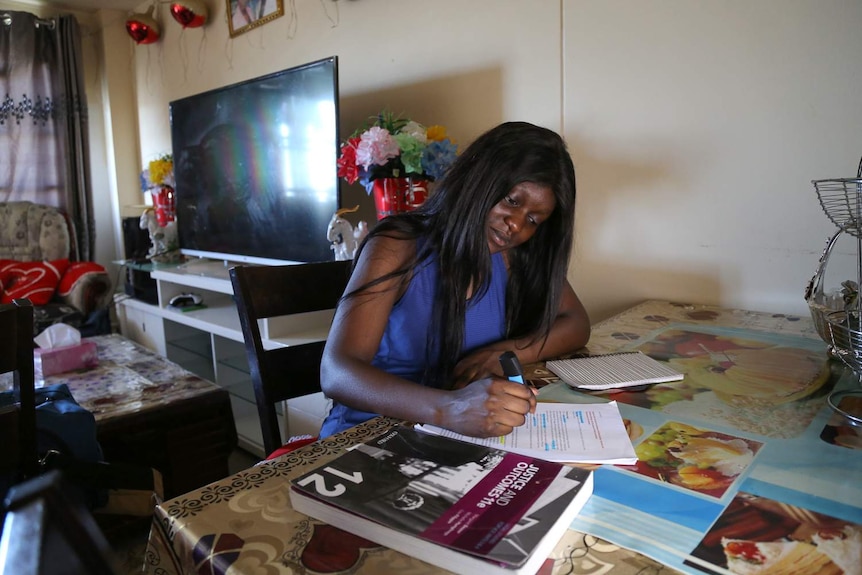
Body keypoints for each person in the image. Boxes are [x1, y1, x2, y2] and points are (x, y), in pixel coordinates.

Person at [319, 121, 591, 439]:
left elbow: (576, 323)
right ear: (478, 181)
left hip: (459, 433)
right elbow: (337, 373)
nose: (515, 225)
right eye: (511, 201)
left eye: (533, 219)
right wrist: (448, 408)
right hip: (372, 431)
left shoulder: (515, 256)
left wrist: (505, 353)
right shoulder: (397, 246)